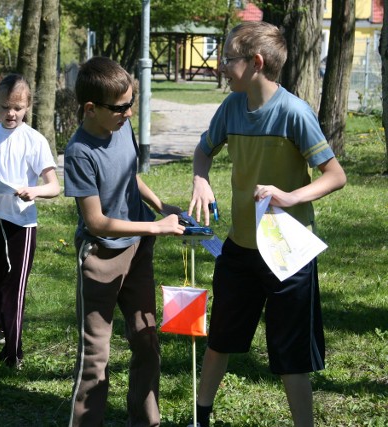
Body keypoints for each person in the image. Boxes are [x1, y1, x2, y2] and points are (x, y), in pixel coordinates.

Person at [187, 22, 347, 427]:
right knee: (219, 338)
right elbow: (203, 151)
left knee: (291, 355)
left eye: (229, 59)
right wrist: (200, 179)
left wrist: (292, 197)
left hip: (288, 252)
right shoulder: (230, 108)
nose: (223, 66)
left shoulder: (294, 113)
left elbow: (334, 175)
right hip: (239, 248)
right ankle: (199, 417)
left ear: (256, 63)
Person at [63, 56, 186, 426]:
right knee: (95, 357)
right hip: (101, 258)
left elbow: (130, 176)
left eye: (131, 103)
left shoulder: (120, 129)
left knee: (147, 338)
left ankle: (146, 421)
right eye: (121, 108)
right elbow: (96, 222)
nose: (130, 113)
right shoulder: (78, 153)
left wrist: (160, 204)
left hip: (137, 251)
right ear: (90, 109)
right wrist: (155, 227)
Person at [0, 74, 60, 369]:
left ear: (28, 105)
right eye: (5, 107)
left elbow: (54, 186)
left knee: (12, 289)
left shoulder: (34, 140)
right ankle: (1, 324)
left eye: (18, 107)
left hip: (21, 222)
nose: (11, 113)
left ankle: (13, 356)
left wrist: (35, 191)